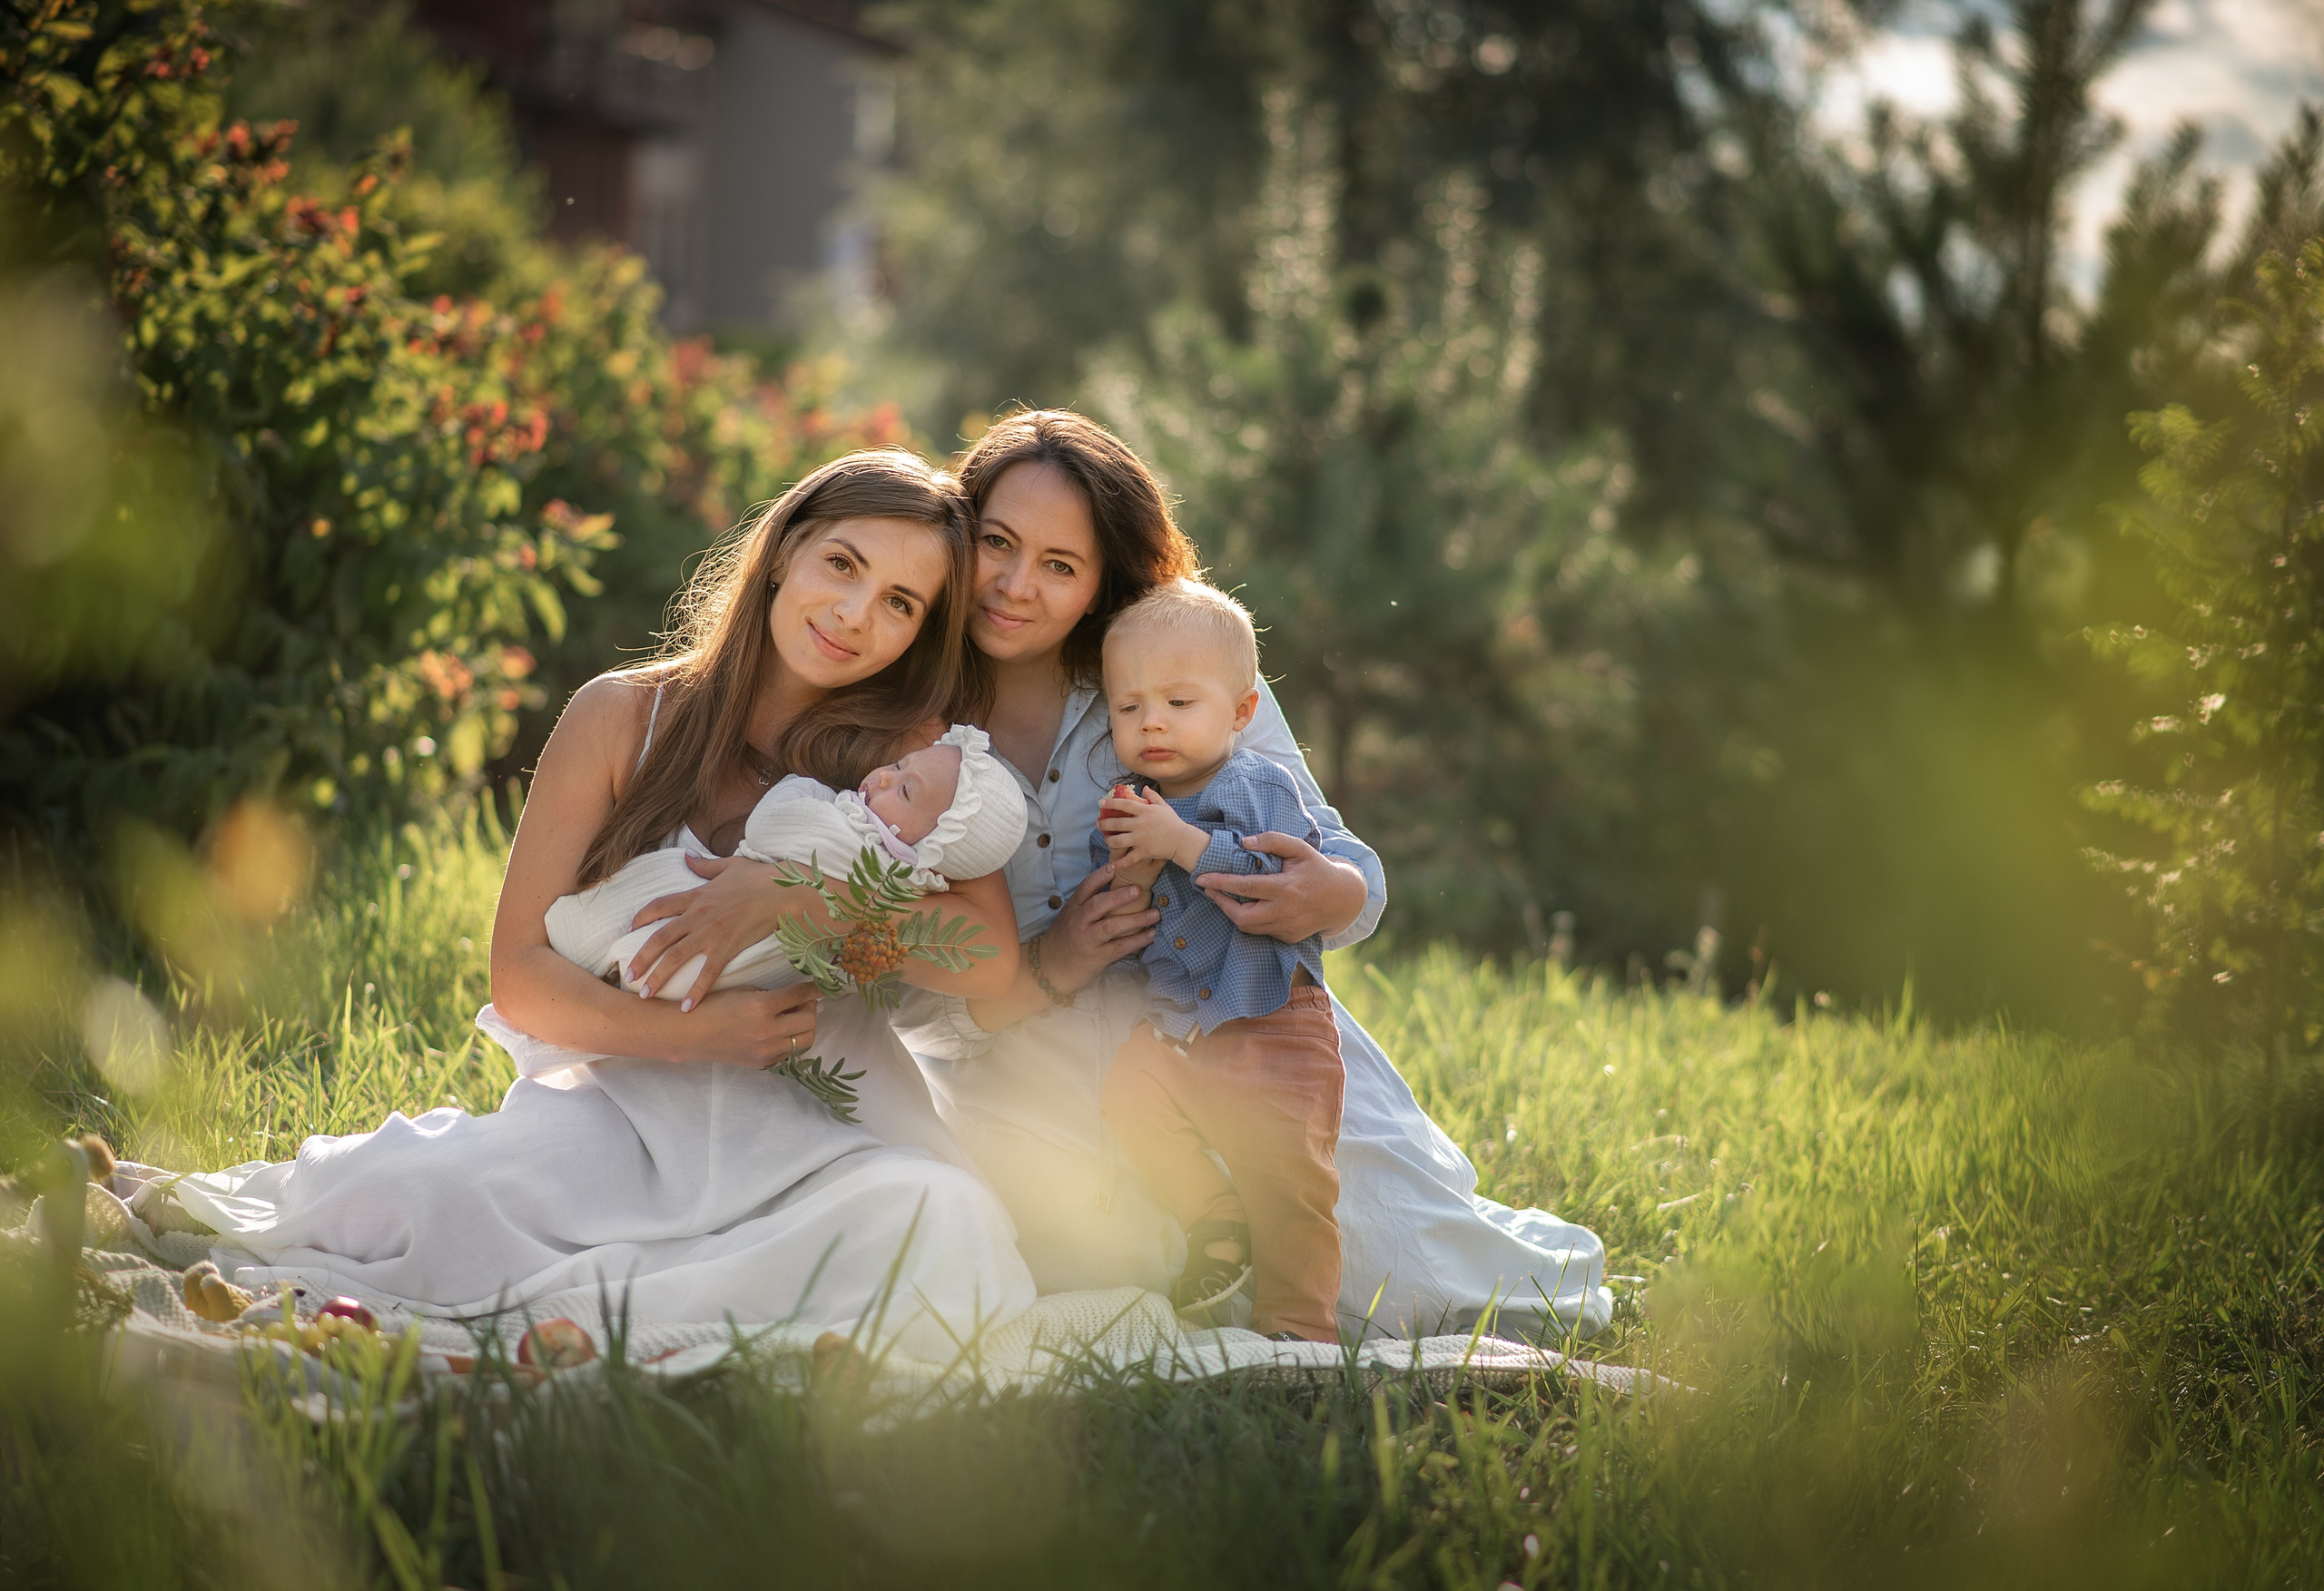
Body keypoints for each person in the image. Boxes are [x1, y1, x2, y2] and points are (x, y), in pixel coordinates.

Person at [177, 451, 1039, 1360]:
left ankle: (671, 1322)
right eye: (843, 564)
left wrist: (800, 896)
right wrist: (698, 1037)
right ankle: (628, 1305)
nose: (856, 614)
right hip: (623, 1115)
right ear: (784, 550)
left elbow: (988, 957)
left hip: (819, 1145)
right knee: (423, 1205)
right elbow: (520, 977)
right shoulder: (622, 716)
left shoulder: (910, 760)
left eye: (902, 604)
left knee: (945, 1220)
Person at [894, 409, 1612, 1341]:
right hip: (1034, 1076)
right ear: (962, 531)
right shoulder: (904, 712)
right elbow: (902, 997)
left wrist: (1332, 893)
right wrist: (1046, 967)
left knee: (1422, 1294)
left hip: (1242, 1022)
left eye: (1060, 566)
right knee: (1116, 1274)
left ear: (1102, 581)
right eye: (997, 543)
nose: (1015, 585)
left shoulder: (1178, 663)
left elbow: (1341, 863)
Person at [1092, 581, 1346, 1342]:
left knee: (1290, 1179)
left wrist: (1180, 843)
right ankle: (1213, 1216)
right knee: (1129, 1089)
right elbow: (1120, 914)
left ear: (1240, 713)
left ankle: (1300, 1327)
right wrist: (1128, 873)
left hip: (1273, 1024)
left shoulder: (1257, 783)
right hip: (1181, 1028)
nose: (1152, 723)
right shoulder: (1130, 799)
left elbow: (1276, 885)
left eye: (1178, 702)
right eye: (1129, 707)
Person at [537, 722, 1028, 1006]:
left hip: (769, 1003)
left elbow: (990, 961)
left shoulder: (923, 805)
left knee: (670, 897)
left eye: (903, 788)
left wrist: (801, 895)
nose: (881, 778)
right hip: (654, 1028)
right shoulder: (922, 799)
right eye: (898, 765)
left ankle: (594, 944)